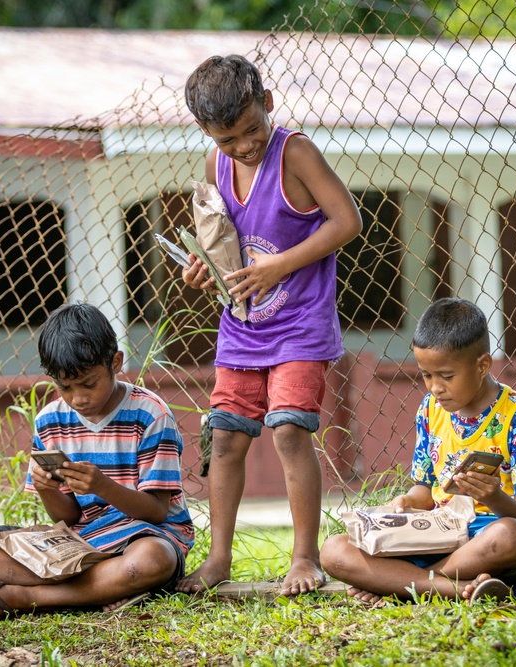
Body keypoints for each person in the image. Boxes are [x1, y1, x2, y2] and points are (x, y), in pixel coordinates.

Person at [176, 54, 363, 596]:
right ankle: (218, 559)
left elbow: (348, 220)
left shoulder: (295, 152)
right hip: (242, 326)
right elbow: (228, 246)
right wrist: (205, 269)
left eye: (251, 129)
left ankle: (304, 558)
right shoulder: (217, 166)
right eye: (227, 138)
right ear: (207, 132)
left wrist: (281, 264)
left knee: (288, 432)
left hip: (300, 325)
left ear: (268, 105)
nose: (243, 145)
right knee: (227, 439)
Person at [0, 303, 195, 618]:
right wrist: (46, 487)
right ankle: (102, 588)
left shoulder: (150, 414)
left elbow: (158, 511)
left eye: (89, 383)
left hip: (145, 534)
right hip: (80, 541)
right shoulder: (51, 420)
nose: (78, 398)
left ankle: (26, 596)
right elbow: (69, 517)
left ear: (116, 362)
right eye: (65, 387)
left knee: (152, 561)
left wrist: (103, 486)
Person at [320, 297, 516, 603]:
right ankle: (450, 588)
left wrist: (493, 497)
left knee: (509, 536)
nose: (434, 387)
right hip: (438, 535)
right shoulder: (431, 410)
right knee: (333, 550)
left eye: (446, 376)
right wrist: (406, 503)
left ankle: (399, 584)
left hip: (488, 542)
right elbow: (425, 493)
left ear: (482, 365)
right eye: (426, 375)